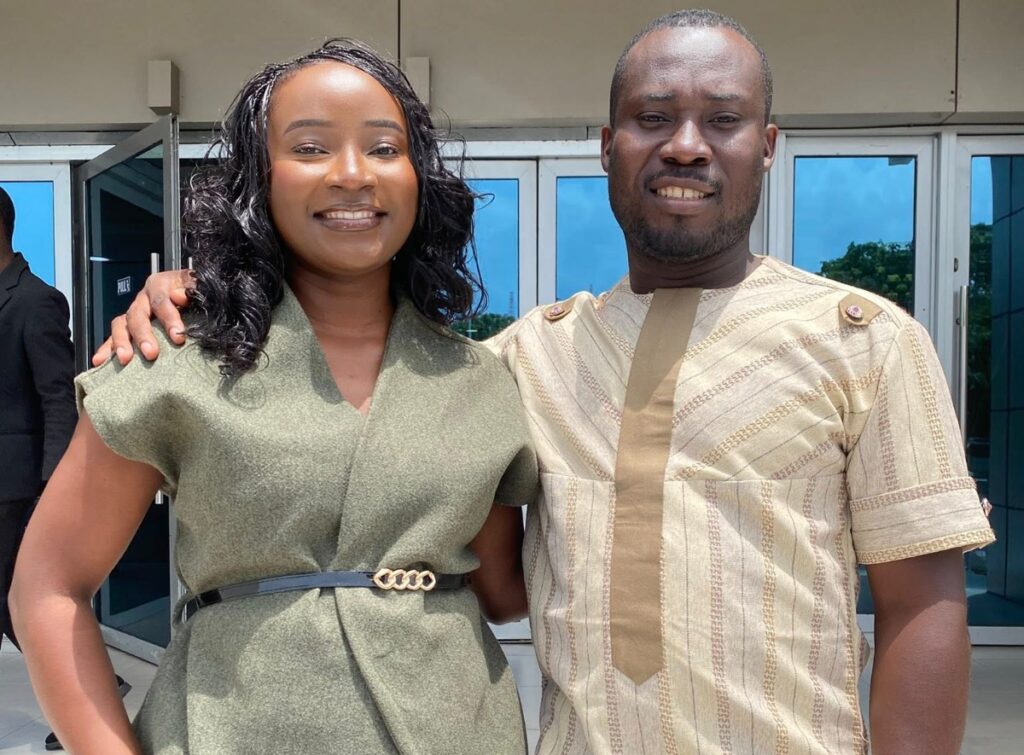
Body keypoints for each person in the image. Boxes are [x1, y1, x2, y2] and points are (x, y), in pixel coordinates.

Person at [96, 10, 995, 755]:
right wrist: (202, 293)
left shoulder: (864, 344)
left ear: (766, 147)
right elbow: (379, 377)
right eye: (652, 118)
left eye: (722, 120)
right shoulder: (526, 358)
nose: (685, 146)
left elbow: (922, 605)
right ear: (607, 146)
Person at [12, 39, 537, 755]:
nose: (353, 174)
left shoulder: (478, 378)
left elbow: (507, 593)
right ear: (258, 181)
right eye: (310, 148)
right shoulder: (175, 361)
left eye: (384, 148)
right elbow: (47, 587)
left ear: (419, 178)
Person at [0, 185, 76, 650]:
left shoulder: (35, 300)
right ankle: (92, 683)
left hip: (16, 486)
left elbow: (58, 398)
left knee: (16, 601)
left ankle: (91, 683)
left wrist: (53, 484)